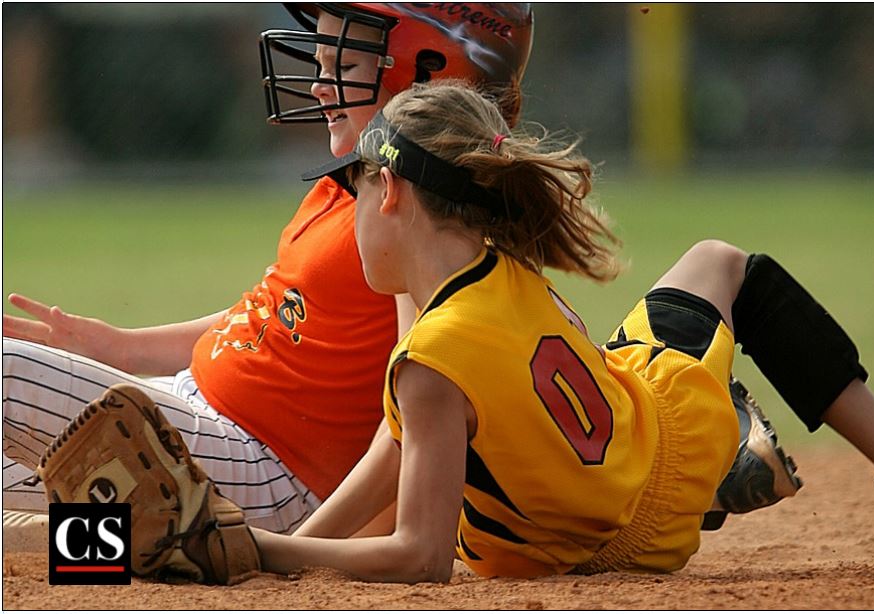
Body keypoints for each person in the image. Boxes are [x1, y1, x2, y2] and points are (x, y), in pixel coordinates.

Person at [248, 80, 874, 582]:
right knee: (721, 262)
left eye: (354, 190)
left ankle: (723, 447)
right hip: (654, 443)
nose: (351, 210)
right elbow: (398, 447)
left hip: (609, 539)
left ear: (389, 190)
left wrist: (264, 548)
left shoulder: (429, 356)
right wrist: (285, 550)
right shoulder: (499, 265)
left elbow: (420, 556)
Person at [2, 3, 534, 536]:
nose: (319, 88)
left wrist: (305, 549)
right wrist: (121, 348)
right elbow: (270, 317)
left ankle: (185, 549)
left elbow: (410, 425)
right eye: (322, 66)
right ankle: (148, 554)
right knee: (40, 518)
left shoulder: (416, 214)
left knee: (8, 375)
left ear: (430, 73)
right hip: (202, 421)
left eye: (343, 68)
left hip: (259, 471)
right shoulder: (356, 179)